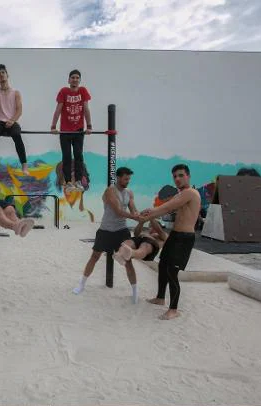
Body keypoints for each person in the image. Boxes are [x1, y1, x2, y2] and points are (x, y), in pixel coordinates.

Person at [139, 164, 201, 320]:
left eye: (181, 175)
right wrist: (148, 214)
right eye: (175, 176)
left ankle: (173, 310)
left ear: (188, 176)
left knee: (172, 272)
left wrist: (146, 215)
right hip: (175, 235)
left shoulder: (190, 193)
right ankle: (160, 297)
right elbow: (164, 208)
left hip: (184, 238)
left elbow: (167, 207)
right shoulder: (181, 194)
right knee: (163, 265)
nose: (177, 179)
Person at [73, 167, 139, 303]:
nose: (128, 181)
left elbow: (133, 209)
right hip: (106, 230)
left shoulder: (129, 193)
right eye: (126, 179)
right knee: (95, 257)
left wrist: (139, 215)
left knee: (128, 261)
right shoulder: (110, 191)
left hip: (121, 230)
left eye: (129, 179)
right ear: (119, 178)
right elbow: (118, 211)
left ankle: (135, 292)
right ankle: (81, 284)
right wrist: (135, 217)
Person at [51, 69, 92, 192]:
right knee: (66, 156)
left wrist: (89, 126)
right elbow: (58, 109)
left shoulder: (83, 91)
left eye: (77, 78)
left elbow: (86, 109)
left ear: (79, 80)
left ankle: (79, 181)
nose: (75, 79)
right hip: (65, 131)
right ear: (69, 80)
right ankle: (68, 182)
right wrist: (53, 126)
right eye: (72, 77)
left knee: (78, 155)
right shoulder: (64, 91)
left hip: (78, 131)